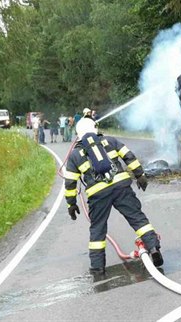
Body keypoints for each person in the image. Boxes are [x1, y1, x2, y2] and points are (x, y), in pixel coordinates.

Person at [63, 117, 163, 275]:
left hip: (98, 194)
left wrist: (71, 204)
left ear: (78, 134)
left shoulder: (75, 155)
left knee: (98, 229)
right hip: (121, 187)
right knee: (137, 218)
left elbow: (70, 183)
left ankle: (97, 267)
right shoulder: (110, 141)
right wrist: (140, 175)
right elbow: (129, 156)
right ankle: (153, 247)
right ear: (95, 129)